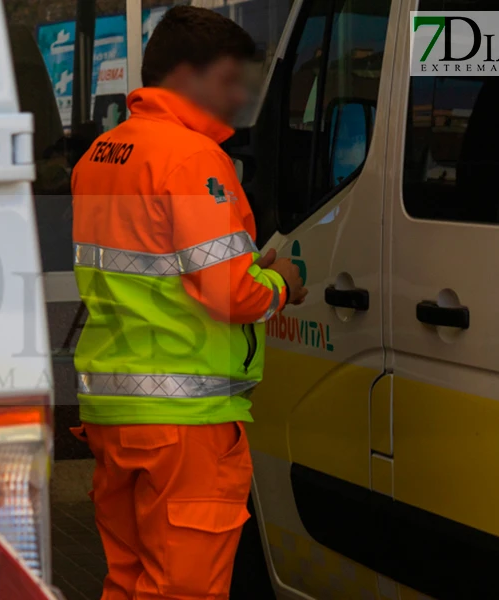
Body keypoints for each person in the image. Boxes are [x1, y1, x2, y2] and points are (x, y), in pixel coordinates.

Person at [69, 6, 308, 599]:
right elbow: (231, 290)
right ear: (184, 76)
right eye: (227, 81)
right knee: (183, 590)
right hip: (184, 423)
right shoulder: (193, 158)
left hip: (115, 412)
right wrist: (283, 282)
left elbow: (163, 264)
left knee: (128, 580)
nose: (236, 98)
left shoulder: (101, 155)